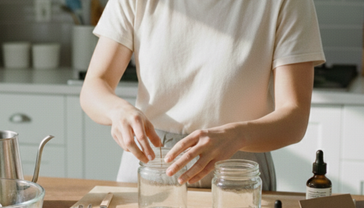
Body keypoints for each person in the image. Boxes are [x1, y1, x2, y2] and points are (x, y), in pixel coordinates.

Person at [80, 0, 325, 190]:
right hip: (151, 167)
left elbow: (295, 115)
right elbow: (94, 86)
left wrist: (238, 135)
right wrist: (117, 111)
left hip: (239, 172)